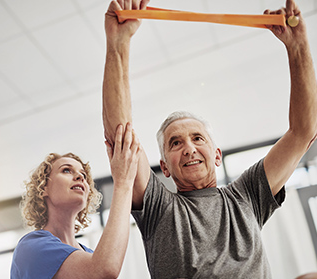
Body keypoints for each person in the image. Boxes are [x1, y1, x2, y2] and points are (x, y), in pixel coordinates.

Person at [103, 0, 317, 278]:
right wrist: (118, 44)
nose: (189, 148)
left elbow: (304, 132)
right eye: (175, 143)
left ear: (217, 154)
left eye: (197, 138)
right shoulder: (159, 208)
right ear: (165, 166)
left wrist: (298, 46)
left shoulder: (248, 195)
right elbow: (120, 136)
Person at [11, 123, 141, 278]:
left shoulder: (90, 256)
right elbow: (104, 271)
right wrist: (123, 182)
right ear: (43, 187)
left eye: (83, 175)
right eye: (66, 170)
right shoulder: (32, 247)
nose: (80, 177)